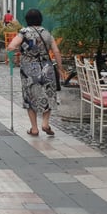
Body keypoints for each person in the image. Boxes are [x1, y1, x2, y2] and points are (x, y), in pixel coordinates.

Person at [6, 8, 63, 137]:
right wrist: (60, 67)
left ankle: (34, 128)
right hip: (47, 67)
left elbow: (11, 46)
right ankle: (45, 123)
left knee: (30, 97)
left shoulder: (23, 33)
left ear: (27, 20)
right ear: (40, 19)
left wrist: (21, 51)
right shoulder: (47, 33)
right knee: (49, 94)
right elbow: (56, 51)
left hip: (29, 69)